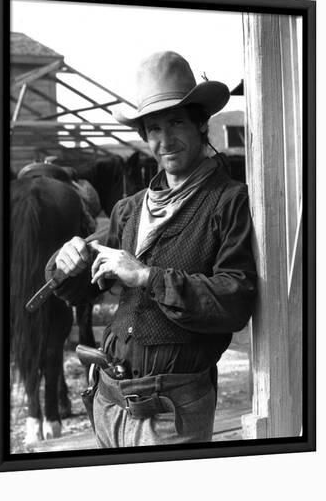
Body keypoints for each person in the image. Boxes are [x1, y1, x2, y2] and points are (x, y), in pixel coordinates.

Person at [46, 50, 257, 448]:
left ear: (200, 123)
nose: (165, 139)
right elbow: (87, 285)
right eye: (154, 127)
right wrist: (66, 262)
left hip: (171, 412)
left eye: (176, 122)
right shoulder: (129, 209)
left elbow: (236, 300)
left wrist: (146, 276)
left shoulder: (228, 202)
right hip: (107, 402)